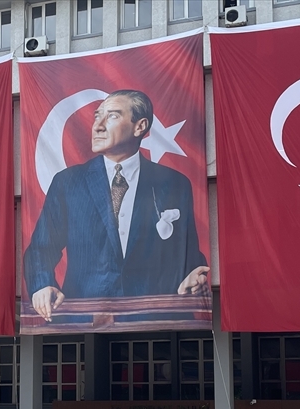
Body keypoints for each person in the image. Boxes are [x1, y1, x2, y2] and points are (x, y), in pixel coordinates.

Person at [23, 89, 208, 323]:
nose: (97, 126)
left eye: (112, 116)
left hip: (154, 320)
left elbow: (187, 251)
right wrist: (42, 284)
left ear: (139, 126)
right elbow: (41, 248)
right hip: (84, 321)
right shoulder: (68, 182)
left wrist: (194, 274)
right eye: (96, 116)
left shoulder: (173, 183)